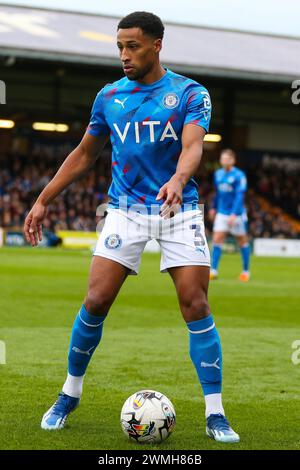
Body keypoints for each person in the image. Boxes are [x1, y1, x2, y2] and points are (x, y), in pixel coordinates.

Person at [24, 11, 239, 443]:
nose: (124, 54)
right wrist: (44, 199)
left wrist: (178, 180)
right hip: (124, 208)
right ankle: (69, 394)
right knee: (97, 298)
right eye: (120, 46)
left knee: (195, 303)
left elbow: (192, 147)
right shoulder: (108, 96)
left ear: (157, 44)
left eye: (133, 46)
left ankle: (215, 413)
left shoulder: (190, 93)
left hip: (179, 208)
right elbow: (85, 154)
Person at [209, 149, 250, 281]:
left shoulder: (239, 175)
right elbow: (217, 193)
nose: (224, 161)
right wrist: (213, 208)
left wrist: (234, 213)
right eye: (223, 158)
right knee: (217, 239)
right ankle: (213, 270)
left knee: (242, 241)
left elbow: (240, 195)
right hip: (221, 212)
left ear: (233, 160)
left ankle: (245, 271)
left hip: (236, 214)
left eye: (227, 158)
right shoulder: (218, 174)